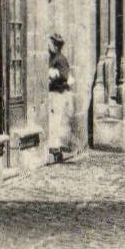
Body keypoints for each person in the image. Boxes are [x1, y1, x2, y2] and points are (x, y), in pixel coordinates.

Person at [48, 33, 74, 161]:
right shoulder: (53, 58)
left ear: (55, 46)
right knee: (53, 120)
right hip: (54, 93)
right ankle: (54, 148)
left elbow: (64, 76)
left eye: (51, 44)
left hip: (58, 93)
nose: (49, 46)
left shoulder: (60, 59)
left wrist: (53, 76)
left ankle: (56, 149)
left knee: (56, 121)